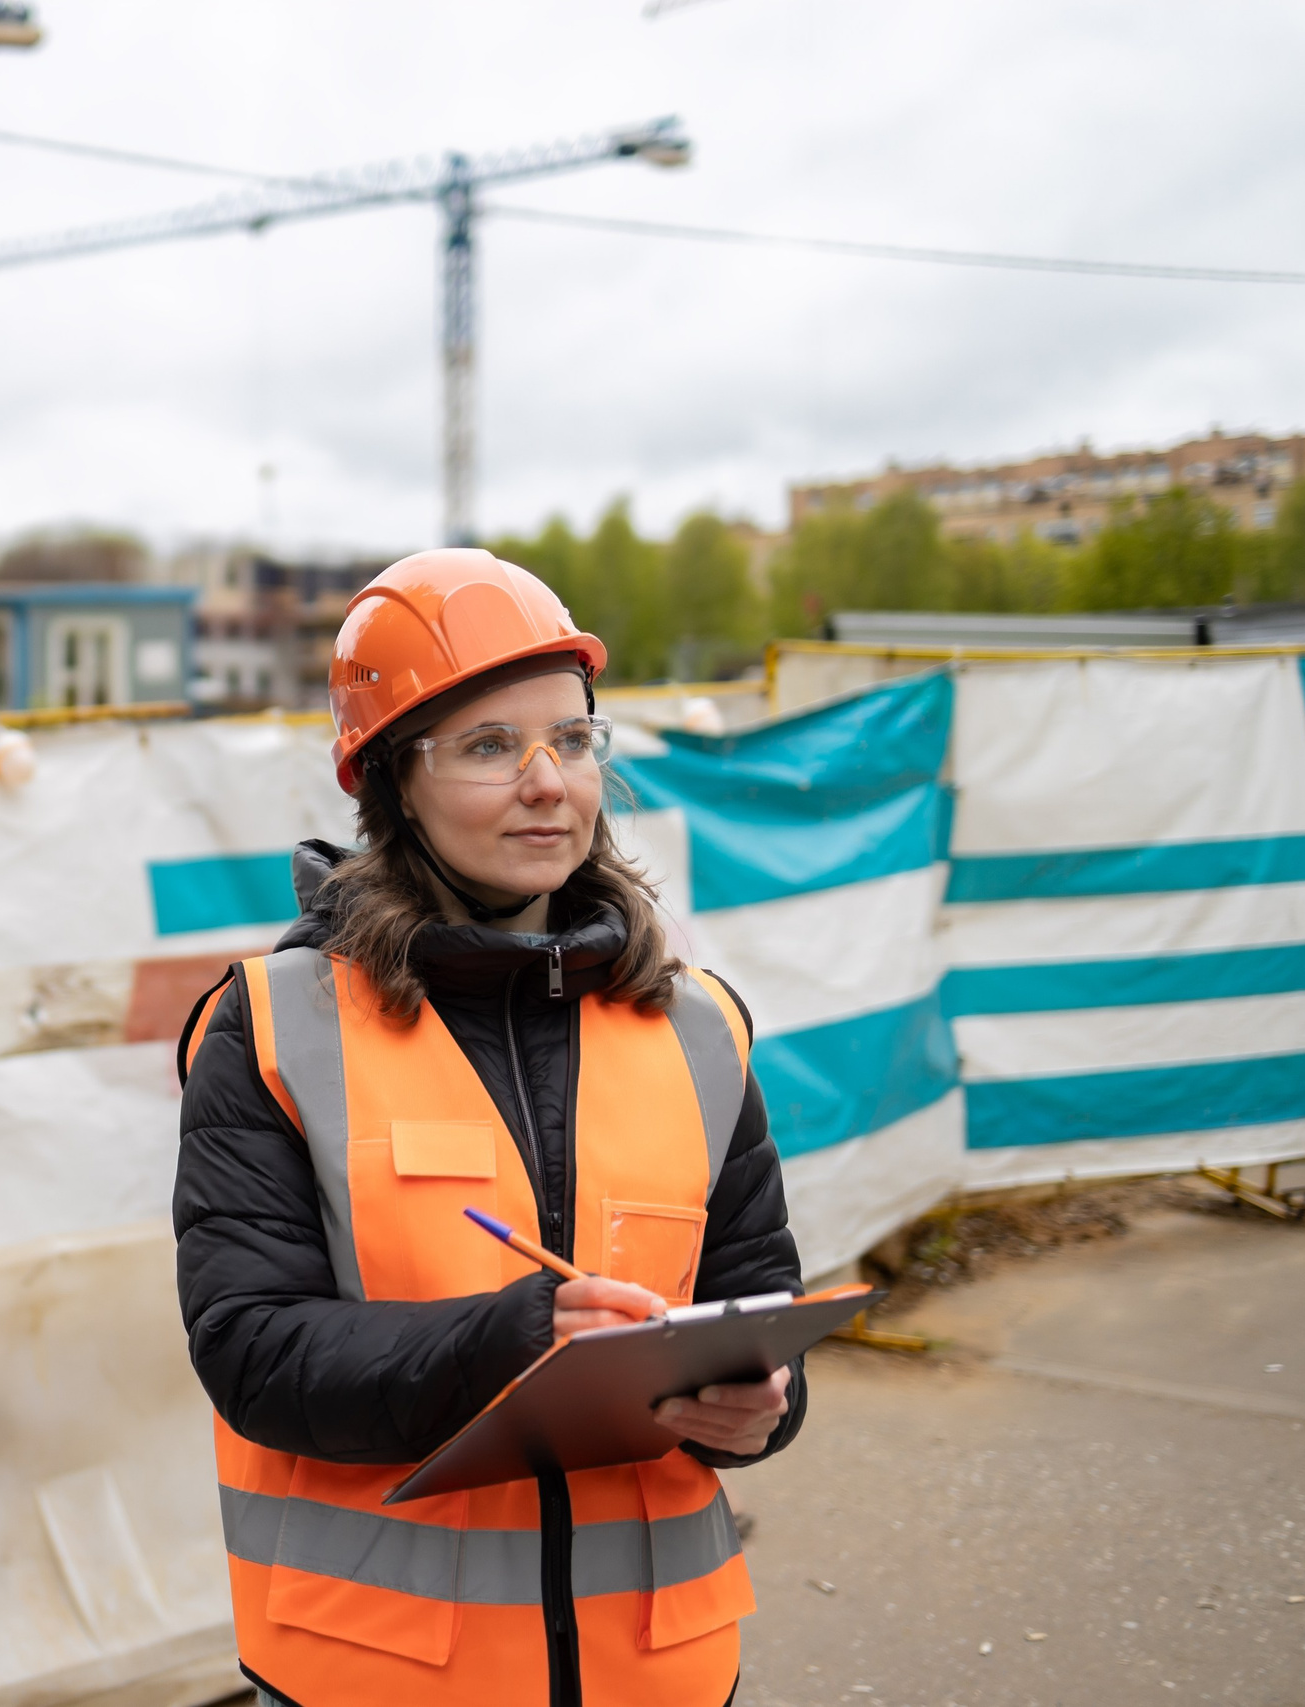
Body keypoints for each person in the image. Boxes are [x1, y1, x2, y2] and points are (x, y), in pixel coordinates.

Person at [174, 549, 805, 1707]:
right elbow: (251, 1352)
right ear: (385, 783)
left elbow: (758, 1304)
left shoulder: (701, 1029)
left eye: (571, 740)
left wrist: (757, 1408)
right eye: (485, 746)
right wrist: (506, 1340)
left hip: (659, 1676)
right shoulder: (272, 1029)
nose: (547, 782)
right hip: (383, 1677)